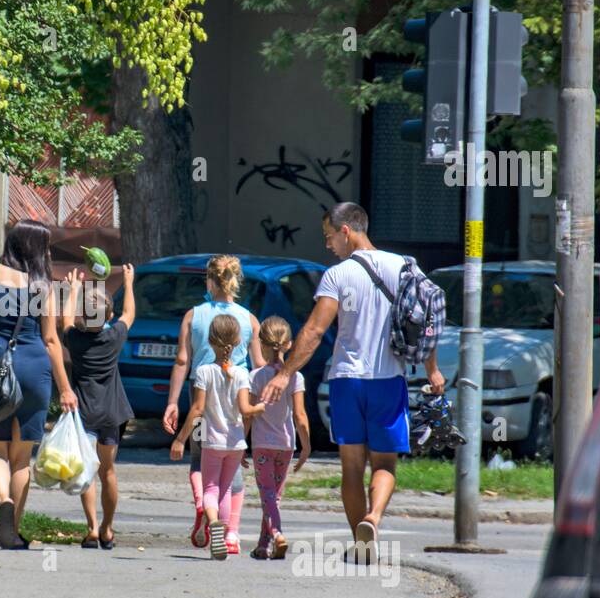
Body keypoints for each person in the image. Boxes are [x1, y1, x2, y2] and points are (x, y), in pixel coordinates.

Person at [263, 203, 444, 561]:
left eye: (329, 237)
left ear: (346, 231)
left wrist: (285, 374)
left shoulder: (337, 275)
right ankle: (373, 518)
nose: (328, 245)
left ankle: (359, 544)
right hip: (388, 380)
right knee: (385, 465)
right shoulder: (405, 267)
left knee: (351, 467)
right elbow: (425, 324)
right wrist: (432, 369)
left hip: (346, 380)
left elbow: (315, 330)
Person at [0, 219, 78, 549]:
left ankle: (3, 503)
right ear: (37, 250)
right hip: (34, 369)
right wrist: (66, 387)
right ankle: (12, 532)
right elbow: (52, 340)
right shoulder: (43, 286)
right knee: (21, 458)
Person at [162, 255, 265, 554]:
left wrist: (172, 402)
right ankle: (230, 534)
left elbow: (182, 360)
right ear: (237, 280)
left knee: (199, 461)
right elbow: (258, 366)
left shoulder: (193, 316)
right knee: (232, 470)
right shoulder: (250, 319)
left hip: (201, 397)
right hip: (237, 398)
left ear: (209, 280)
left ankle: (201, 505)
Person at [61, 264, 136, 549]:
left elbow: (66, 320)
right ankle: (107, 528)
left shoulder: (76, 339)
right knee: (108, 471)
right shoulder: (114, 337)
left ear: (83, 315)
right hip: (112, 413)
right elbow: (129, 314)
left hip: (84, 413)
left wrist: (73, 290)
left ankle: (91, 528)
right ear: (110, 316)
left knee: (88, 471)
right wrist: (128, 283)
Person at [245, 316, 311, 560]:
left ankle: (278, 533)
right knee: (274, 495)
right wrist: (306, 446)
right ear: (290, 344)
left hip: (262, 445)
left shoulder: (256, 377)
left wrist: (242, 442)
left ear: (262, 344)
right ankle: (263, 545)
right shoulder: (296, 377)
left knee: (267, 494)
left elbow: (249, 415)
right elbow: (301, 416)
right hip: (286, 444)